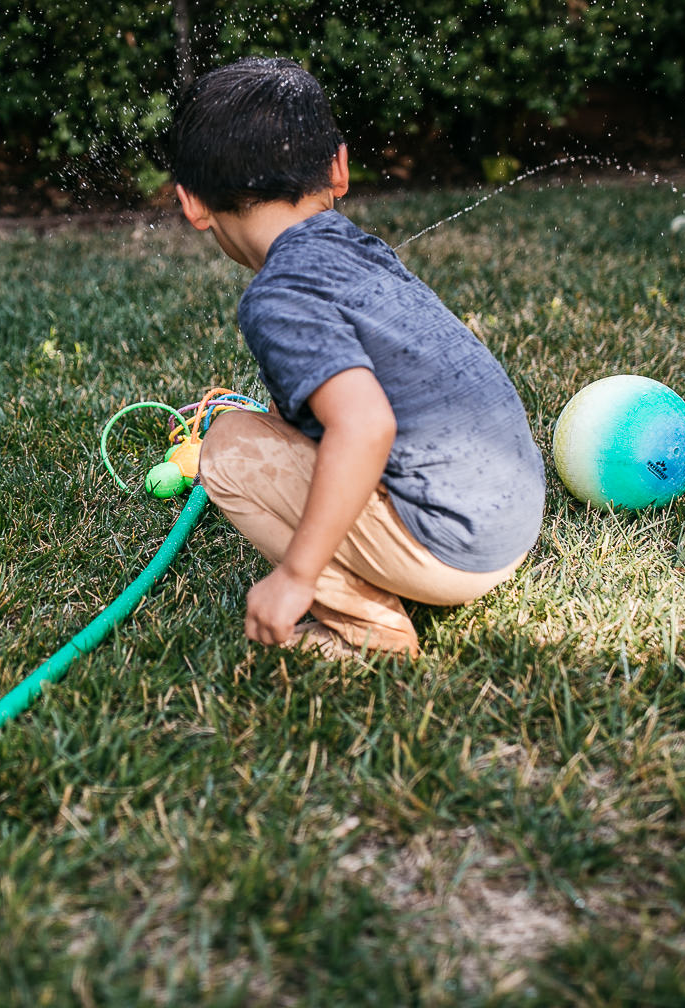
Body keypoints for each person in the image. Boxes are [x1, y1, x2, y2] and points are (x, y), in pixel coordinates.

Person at [170, 58, 544, 657]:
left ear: (193, 203)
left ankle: (368, 630)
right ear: (339, 169)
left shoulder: (277, 296)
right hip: (511, 519)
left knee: (228, 446)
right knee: (268, 425)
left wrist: (296, 577)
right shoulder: (358, 248)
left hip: (450, 547)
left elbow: (366, 425)